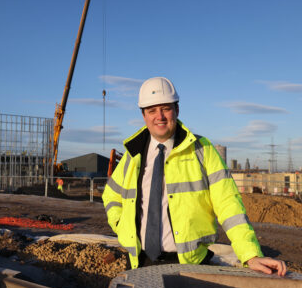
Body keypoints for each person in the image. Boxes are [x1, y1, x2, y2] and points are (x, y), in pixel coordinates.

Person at [102, 77, 286, 276]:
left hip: (191, 265)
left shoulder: (202, 150)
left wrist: (250, 255)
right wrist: (122, 227)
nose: (159, 116)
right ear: (144, 116)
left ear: (177, 110)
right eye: (152, 110)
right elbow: (111, 196)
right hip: (140, 262)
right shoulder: (133, 154)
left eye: (165, 108)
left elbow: (228, 204)